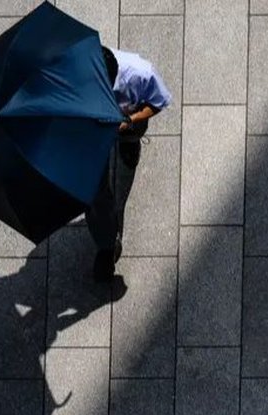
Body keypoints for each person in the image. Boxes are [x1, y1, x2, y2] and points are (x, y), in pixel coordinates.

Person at [85, 46, 172, 283]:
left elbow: (158, 101)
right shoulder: (82, 74)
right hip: (92, 134)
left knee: (130, 137)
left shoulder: (141, 73)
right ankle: (106, 245)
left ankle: (129, 144)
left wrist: (130, 121)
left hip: (127, 124)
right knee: (94, 193)